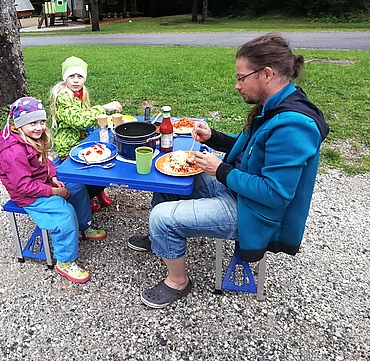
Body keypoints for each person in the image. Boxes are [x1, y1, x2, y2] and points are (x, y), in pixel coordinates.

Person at [128, 33, 330, 308]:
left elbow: (276, 194)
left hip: (254, 212)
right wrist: (215, 138)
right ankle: (159, 240)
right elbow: (254, 149)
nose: (237, 85)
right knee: (172, 177)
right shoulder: (278, 103)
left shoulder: (293, 125)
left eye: (242, 77)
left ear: (267, 74)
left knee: (162, 216)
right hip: (239, 191)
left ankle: (178, 281)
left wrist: (220, 170)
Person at [0, 97, 107, 284]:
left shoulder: (32, 137)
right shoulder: (13, 152)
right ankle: (65, 261)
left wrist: (53, 177)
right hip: (27, 194)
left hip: (41, 181)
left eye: (42, 122)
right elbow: (23, 186)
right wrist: (54, 191)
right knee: (64, 213)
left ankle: (82, 228)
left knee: (76, 187)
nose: (39, 127)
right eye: (33, 123)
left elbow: (46, 161)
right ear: (19, 124)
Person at [50, 56, 123, 213]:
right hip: (70, 147)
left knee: (107, 159)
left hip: (83, 140)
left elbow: (88, 117)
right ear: (65, 78)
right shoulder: (63, 97)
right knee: (92, 169)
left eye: (80, 76)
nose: (76, 80)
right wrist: (104, 108)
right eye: (71, 76)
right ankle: (86, 197)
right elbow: (79, 120)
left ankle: (98, 191)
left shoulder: (80, 93)